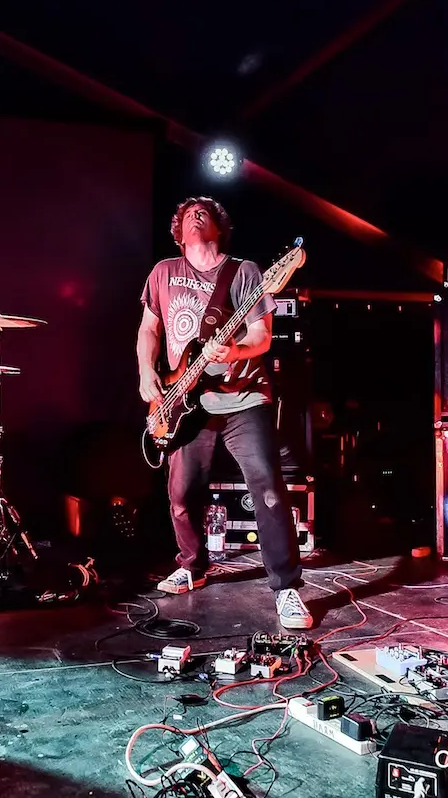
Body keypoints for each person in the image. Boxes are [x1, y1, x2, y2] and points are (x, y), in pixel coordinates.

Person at [137, 197, 312, 630]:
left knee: (268, 488)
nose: (195, 214)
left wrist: (233, 350)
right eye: (187, 213)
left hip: (244, 397)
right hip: (184, 400)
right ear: (177, 232)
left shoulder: (246, 271)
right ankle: (192, 566)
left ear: (219, 226)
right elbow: (149, 329)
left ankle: (286, 588)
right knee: (181, 495)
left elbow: (261, 336)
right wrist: (145, 372)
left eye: (204, 211)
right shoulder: (163, 272)